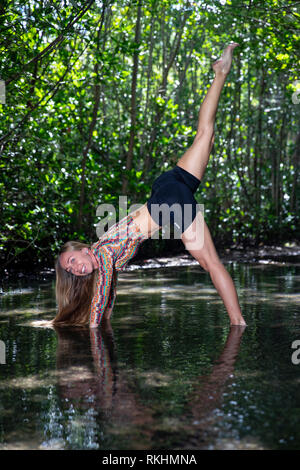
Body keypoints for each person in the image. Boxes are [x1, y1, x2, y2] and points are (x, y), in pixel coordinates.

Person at [54, 43, 247, 328]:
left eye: (72, 260)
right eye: (71, 271)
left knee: (211, 263)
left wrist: (94, 328)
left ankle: (238, 324)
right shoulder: (103, 254)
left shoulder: (103, 253)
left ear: (83, 249)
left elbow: (101, 295)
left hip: (168, 203)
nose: (76, 268)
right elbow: (110, 289)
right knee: (205, 133)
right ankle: (220, 72)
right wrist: (106, 319)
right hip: (167, 186)